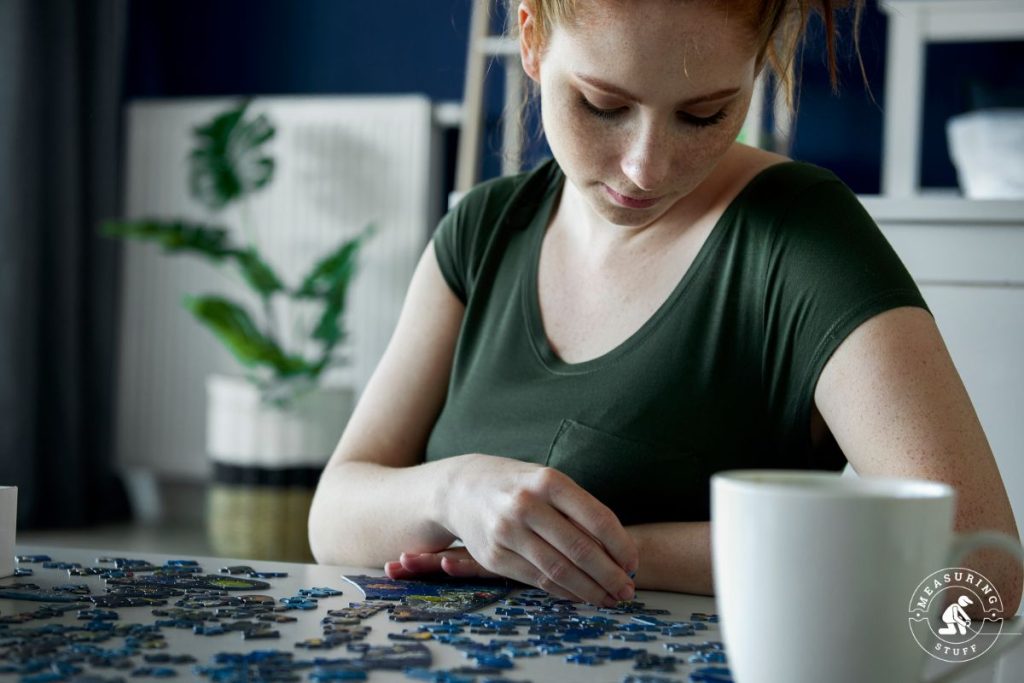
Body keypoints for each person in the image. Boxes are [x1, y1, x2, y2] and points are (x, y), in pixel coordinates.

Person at [309, 0, 1022, 613]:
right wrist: (456, 491)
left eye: (707, 114)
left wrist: (606, 554)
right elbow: (333, 515)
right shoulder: (483, 229)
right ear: (530, 39)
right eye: (604, 105)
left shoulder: (805, 241)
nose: (647, 167)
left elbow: (982, 566)